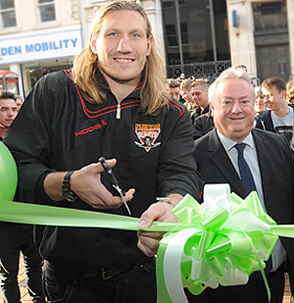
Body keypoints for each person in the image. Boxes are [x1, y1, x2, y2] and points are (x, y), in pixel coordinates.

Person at [3, 2, 202, 302]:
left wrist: (171, 207)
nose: (124, 46)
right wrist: (68, 184)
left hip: (146, 273)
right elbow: (17, 168)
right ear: (94, 42)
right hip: (70, 281)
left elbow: (182, 173)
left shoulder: (171, 112)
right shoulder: (54, 92)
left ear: (149, 45)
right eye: (112, 34)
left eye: (135, 35)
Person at [138, 67, 294, 303]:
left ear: (255, 104)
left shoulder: (278, 145)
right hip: (220, 288)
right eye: (227, 102)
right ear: (212, 109)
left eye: (244, 101)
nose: (237, 110)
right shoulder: (192, 158)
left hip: (274, 277)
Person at [0, 90, 46, 303]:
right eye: (3, 109)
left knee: (35, 266)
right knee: (8, 275)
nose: (10, 114)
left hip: (30, 216)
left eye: (14, 109)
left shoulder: (27, 140)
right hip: (4, 222)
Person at [256, 77, 294, 181]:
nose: (266, 100)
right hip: (275, 180)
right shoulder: (263, 122)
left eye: (270, 96)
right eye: (264, 96)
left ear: (283, 94)